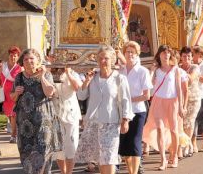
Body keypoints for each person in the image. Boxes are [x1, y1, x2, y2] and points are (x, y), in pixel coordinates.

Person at [75, 46, 134, 174]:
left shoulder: (119, 78)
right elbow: (81, 96)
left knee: (110, 156)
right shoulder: (93, 77)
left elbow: (125, 100)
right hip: (94, 122)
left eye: (106, 58)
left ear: (112, 60)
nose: (103, 61)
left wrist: (125, 120)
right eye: (100, 58)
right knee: (100, 157)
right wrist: (86, 81)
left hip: (111, 122)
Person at [11, 49, 62, 174]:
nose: (29, 61)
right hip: (25, 124)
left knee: (42, 152)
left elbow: (50, 93)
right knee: (27, 155)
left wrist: (43, 76)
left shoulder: (46, 75)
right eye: (26, 59)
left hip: (43, 122)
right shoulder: (19, 77)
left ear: (38, 60)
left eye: (32, 58)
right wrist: (16, 93)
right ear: (22, 62)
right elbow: (12, 98)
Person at [142, 45, 183, 170]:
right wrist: (152, 70)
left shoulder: (175, 69)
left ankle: (174, 156)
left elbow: (179, 88)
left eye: (167, 53)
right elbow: (148, 84)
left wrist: (181, 106)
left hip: (173, 101)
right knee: (159, 129)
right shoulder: (157, 70)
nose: (166, 55)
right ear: (159, 55)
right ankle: (163, 159)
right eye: (163, 53)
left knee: (173, 130)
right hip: (158, 101)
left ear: (170, 55)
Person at [117, 41, 152, 174]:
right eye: (127, 51)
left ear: (137, 54)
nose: (130, 54)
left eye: (133, 52)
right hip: (123, 112)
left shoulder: (142, 71)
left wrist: (129, 99)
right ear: (124, 54)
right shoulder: (120, 70)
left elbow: (146, 95)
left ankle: (135, 171)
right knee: (125, 143)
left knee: (135, 142)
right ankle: (131, 170)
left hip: (137, 111)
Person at [54, 67, 83, 174]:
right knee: (58, 146)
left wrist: (68, 73)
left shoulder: (73, 73)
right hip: (56, 114)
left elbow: (77, 87)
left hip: (71, 114)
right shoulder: (50, 73)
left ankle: (69, 172)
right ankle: (63, 171)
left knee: (71, 145)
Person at [179, 46, 201, 156]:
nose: (187, 58)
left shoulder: (195, 67)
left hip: (194, 99)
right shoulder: (178, 68)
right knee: (182, 123)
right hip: (181, 99)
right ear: (180, 57)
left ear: (192, 57)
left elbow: (191, 78)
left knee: (189, 122)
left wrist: (180, 74)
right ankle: (187, 144)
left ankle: (187, 145)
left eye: (189, 56)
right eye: (184, 56)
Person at [1, 46, 22, 143]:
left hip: (14, 94)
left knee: (14, 115)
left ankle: (14, 135)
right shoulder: (3, 66)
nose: (13, 57)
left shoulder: (20, 68)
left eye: (15, 56)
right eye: (11, 55)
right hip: (5, 95)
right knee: (9, 115)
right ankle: (16, 132)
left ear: (18, 57)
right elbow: (0, 79)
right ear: (8, 56)